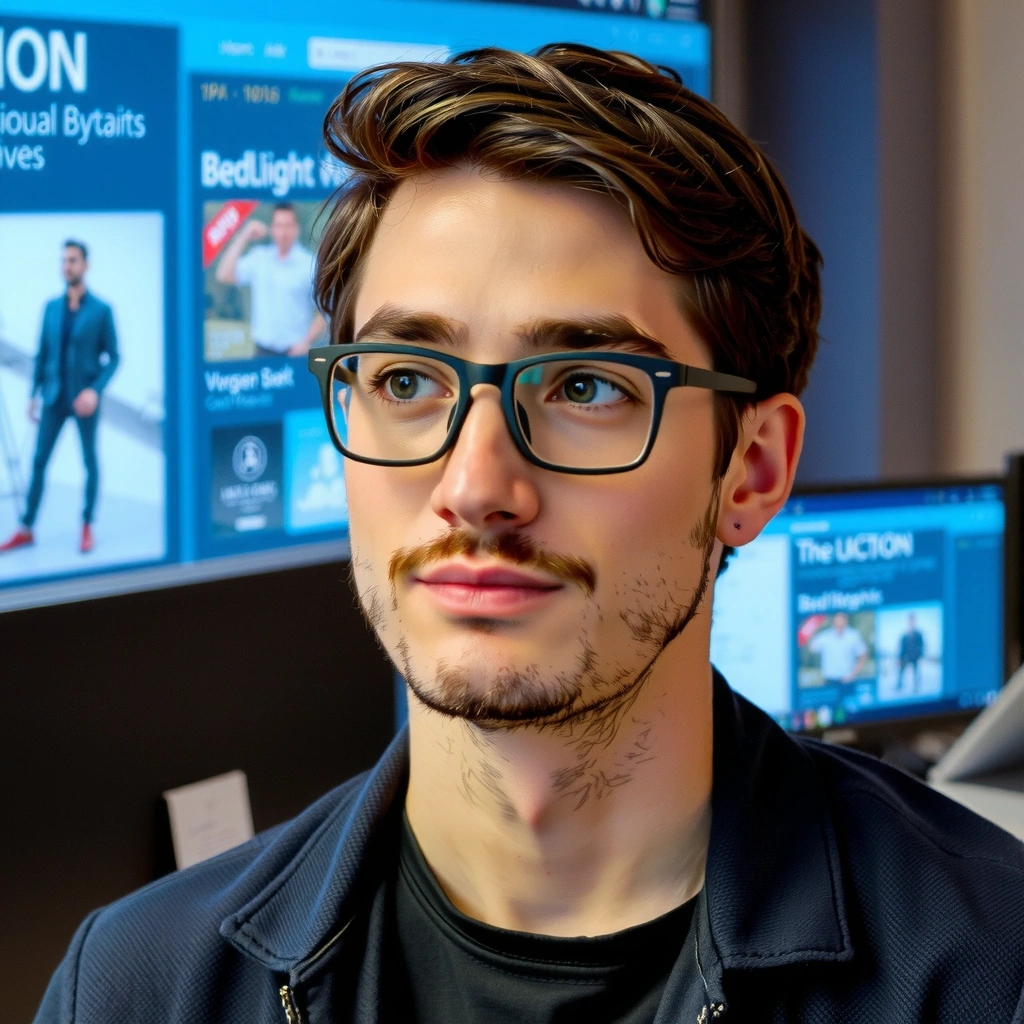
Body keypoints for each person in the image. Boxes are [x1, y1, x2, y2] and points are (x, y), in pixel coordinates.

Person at [35, 46, 1024, 1024]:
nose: (475, 487)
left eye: (586, 387)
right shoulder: (139, 985)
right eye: (406, 380)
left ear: (751, 471)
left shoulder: (988, 966)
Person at [0, 240, 119, 556]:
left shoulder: (102, 310)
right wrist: (32, 394)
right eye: (63, 261)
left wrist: (94, 390)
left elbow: (115, 357)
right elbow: (42, 353)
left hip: (83, 401)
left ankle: (86, 524)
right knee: (39, 461)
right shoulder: (51, 307)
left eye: (73, 260)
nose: (66, 266)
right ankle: (26, 527)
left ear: (86, 265)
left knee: (89, 462)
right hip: (53, 397)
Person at [214, 202, 326, 357]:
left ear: (296, 228)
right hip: (262, 353)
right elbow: (224, 274)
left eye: (288, 225)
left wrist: (307, 341)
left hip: (295, 354)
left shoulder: (310, 264)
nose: (283, 232)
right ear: (272, 229)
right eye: (279, 226)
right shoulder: (259, 258)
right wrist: (245, 234)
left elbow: (325, 309)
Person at [807, 611, 869, 687]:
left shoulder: (853, 636)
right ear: (833, 622)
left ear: (846, 621)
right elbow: (812, 648)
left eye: (842, 621)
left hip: (847, 680)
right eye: (837, 621)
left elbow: (863, 656)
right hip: (829, 681)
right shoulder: (825, 636)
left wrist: (853, 674)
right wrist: (814, 628)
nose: (839, 623)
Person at [898, 611, 926, 692]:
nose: (911, 622)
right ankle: (899, 685)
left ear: (915, 621)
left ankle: (916, 687)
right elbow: (902, 647)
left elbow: (921, 645)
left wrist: (919, 655)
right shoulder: (905, 635)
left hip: (915, 657)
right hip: (906, 657)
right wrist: (900, 658)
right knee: (901, 670)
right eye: (910, 620)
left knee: (916, 671)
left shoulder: (918, 634)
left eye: (913, 620)